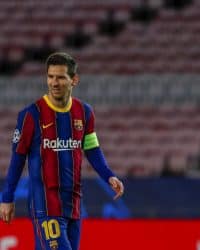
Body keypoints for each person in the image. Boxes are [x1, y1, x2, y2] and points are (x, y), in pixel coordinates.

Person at [0, 52, 124, 250]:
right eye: (50, 77)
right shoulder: (31, 115)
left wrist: (109, 176)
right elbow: (17, 159)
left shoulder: (84, 112)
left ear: (74, 80)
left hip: (73, 205)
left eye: (60, 77)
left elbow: (92, 149)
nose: (54, 83)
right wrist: (7, 197)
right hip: (45, 205)